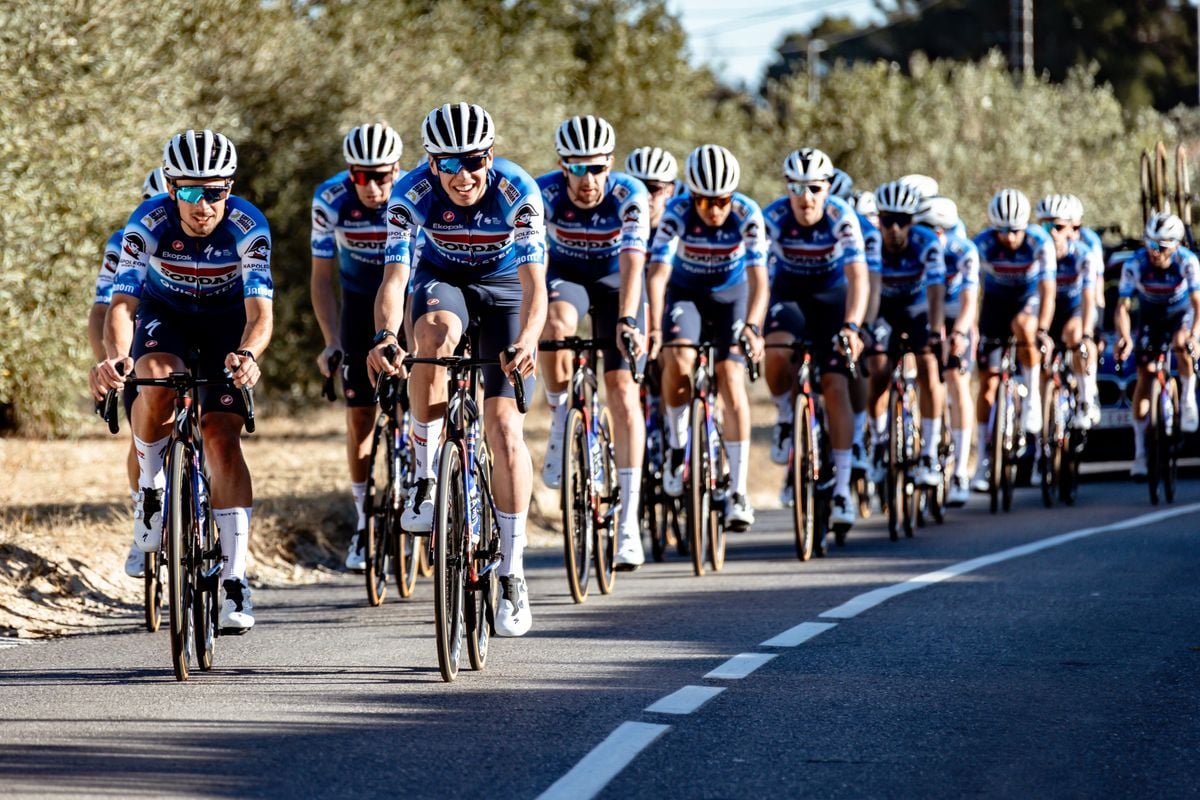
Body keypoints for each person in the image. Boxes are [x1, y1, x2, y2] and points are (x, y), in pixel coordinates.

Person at [367, 103, 546, 637]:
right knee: (432, 338)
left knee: (505, 430)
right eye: (448, 164)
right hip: (443, 281)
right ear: (430, 162)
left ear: (489, 156)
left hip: (508, 287)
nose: (462, 176)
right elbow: (395, 279)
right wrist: (384, 336)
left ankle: (512, 573)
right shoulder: (410, 194)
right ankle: (426, 480)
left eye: (473, 161)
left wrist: (529, 339)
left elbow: (537, 286)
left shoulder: (519, 192)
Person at [92, 130, 273, 632]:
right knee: (151, 378)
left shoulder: (248, 225)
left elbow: (261, 313)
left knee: (220, 434)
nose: (203, 204)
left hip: (224, 322)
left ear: (229, 188)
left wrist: (249, 354)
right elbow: (121, 305)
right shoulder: (145, 222)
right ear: (171, 188)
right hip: (165, 313)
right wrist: (117, 359)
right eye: (191, 192)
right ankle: (149, 490)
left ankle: (235, 580)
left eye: (215, 191)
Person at [537, 115, 650, 568]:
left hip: (616, 282)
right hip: (567, 277)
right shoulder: (543, 193)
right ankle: (562, 415)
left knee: (622, 392)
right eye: (578, 169)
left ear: (610, 164)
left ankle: (627, 526)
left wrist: (627, 320)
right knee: (555, 326)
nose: (589, 180)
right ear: (563, 167)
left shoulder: (630, 196)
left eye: (598, 168)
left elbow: (634, 265)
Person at [647, 144, 766, 531]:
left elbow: (760, 281)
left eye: (722, 201)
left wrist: (753, 327)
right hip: (687, 294)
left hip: (732, 297)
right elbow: (659, 273)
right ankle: (678, 449)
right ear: (690, 195)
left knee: (731, 378)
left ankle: (738, 491)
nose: (714, 210)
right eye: (704, 201)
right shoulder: (676, 213)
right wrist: (655, 327)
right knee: (678, 358)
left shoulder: (748, 214)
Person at [310, 122, 405, 571]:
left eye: (383, 175)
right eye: (361, 176)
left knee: (429, 387)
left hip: (410, 298)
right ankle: (365, 523)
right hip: (357, 301)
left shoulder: (415, 193)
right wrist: (331, 341)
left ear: (398, 170)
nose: (372, 187)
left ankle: (429, 481)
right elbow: (321, 278)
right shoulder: (330, 199)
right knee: (360, 414)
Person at [761, 149, 867, 528]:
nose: (806, 197)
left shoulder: (842, 217)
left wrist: (852, 327)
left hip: (832, 300)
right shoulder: (772, 217)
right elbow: (755, 273)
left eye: (815, 188)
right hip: (789, 295)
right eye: (797, 188)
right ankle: (787, 415)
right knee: (774, 352)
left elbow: (858, 276)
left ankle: (841, 490)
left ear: (827, 189)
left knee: (835, 385)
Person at [88, 168, 166, 579]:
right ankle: (144, 513)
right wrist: (108, 362)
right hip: (137, 342)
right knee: (142, 431)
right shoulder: (123, 242)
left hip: (187, 329)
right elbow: (103, 309)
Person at [971, 189, 1056, 492]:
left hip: (1027, 300)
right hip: (995, 303)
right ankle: (982, 459)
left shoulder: (1039, 242)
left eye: (1015, 230)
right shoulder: (981, 244)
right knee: (988, 385)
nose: (1009, 237)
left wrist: (1043, 328)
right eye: (1002, 231)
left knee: (1024, 325)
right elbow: (970, 291)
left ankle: (1032, 394)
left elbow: (1048, 291)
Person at [865, 180, 946, 488]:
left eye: (902, 221)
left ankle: (927, 453)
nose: (894, 228)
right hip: (884, 308)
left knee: (927, 363)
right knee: (878, 371)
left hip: (917, 308)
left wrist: (937, 330)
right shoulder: (872, 242)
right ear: (880, 220)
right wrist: (868, 330)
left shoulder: (927, 241)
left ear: (912, 222)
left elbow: (937, 289)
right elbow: (870, 289)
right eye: (888, 220)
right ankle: (880, 438)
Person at [1113, 212, 1200, 476]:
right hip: (1151, 316)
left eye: (1161, 246)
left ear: (1176, 245)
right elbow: (1122, 308)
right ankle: (1140, 454)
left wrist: (1196, 335)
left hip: (1181, 315)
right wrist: (1124, 336)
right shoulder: (1135, 265)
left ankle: (1186, 398)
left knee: (1182, 343)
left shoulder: (1188, 262)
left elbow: (1198, 306)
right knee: (1145, 377)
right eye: (1150, 244)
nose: (1154, 252)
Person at [916, 195, 978, 504]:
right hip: (926, 310)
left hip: (956, 311)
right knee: (924, 369)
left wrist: (959, 333)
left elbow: (969, 303)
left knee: (956, 379)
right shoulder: (917, 246)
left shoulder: (963, 250)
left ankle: (960, 471)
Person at [1035, 193, 1097, 428]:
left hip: (1074, 308)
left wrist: (1088, 333)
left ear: (1071, 228)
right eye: (1045, 226)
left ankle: (1085, 396)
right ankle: (1041, 419)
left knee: (1075, 335)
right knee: (1039, 355)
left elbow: (1089, 297)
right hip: (1046, 312)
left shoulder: (1082, 255)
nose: (1051, 232)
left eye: (1058, 226)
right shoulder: (1036, 253)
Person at [624, 146, 679, 245]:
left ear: (669, 191)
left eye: (653, 188)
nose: (645, 195)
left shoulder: (679, 235)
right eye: (636, 186)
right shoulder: (611, 226)